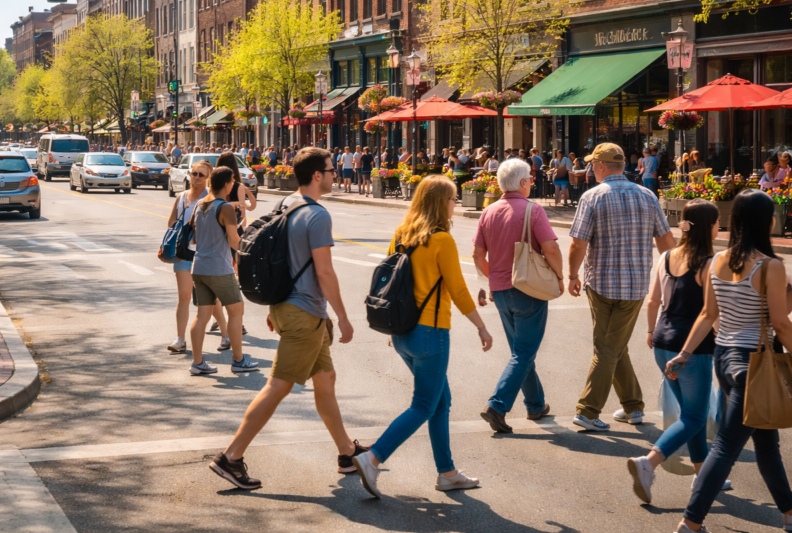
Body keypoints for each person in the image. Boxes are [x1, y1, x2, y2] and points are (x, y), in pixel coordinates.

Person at [211, 147, 363, 489]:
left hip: (292, 310)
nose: (335, 173)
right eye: (330, 169)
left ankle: (346, 452)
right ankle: (230, 457)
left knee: (325, 381)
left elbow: (277, 262)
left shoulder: (285, 205)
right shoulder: (318, 215)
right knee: (277, 386)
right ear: (316, 176)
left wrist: (275, 307)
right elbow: (324, 272)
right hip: (305, 313)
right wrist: (343, 316)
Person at [353, 175, 493, 498]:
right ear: (441, 203)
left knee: (440, 402)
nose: (455, 205)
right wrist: (481, 327)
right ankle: (372, 458)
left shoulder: (402, 235)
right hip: (430, 333)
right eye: (453, 199)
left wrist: (395, 329)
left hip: (402, 333)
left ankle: (447, 473)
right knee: (424, 404)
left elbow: (390, 284)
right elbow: (457, 289)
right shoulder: (442, 240)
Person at [667, 191, 792, 533]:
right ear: (767, 223)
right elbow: (781, 325)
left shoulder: (716, 262)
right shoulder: (771, 267)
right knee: (724, 447)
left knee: (766, 442)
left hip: (724, 358)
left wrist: (685, 352)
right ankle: (691, 523)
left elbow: (709, 314)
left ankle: (789, 512)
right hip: (755, 365)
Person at [568, 143, 676, 431]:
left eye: (593, 164)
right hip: (636, 285)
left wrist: (571, 275)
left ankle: (588, 410)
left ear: (602, 166)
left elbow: (578, 243)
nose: (591, 168)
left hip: (601, 283)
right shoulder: (647, 196)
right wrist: (673, 278)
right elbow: (666, 242)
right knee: (614, 345)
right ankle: (633, 406)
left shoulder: (592, 197)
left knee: (606, 346)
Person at [626, 200, 727, 505]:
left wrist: (649, 331)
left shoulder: (668, 255)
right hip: (691, 348)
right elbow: (713, 312)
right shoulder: (711, 262)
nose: (719, 226)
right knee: (695, 416)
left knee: (690, 415)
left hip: (662, 341)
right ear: (710, 226)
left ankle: (703, 473)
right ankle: (649, 463)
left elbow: (654, 300)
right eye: (717, 221)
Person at [472, 159, 563, 434]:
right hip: (528, 289)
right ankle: (497, 405)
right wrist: (560, 276)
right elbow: (551, 249)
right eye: (530, 180)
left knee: (520, 351)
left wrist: (489, 280)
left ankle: (535, 404)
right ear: (523, 183)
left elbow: (478, 255)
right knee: (524, 352)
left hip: (499, 290)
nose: (531, 183)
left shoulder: (488, 212)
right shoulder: (533, 210)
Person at [188, 167, 259, 375]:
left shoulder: (200, 205)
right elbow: (234, 241)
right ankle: (238, 360)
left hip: (199, 266)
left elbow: (195, 237)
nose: (232, 185)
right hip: (219, 267)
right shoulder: (225, 207)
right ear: (227, 184)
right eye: (232, 182)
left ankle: (198, 362)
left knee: (202, 316)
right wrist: (252, 254)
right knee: (236, 312)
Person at [163, 160, 227, 353]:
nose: (196, 177)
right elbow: (171, 222)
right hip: (184, 252)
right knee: (184, 296)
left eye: (201, 175)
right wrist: (187, 227)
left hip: (205, 252)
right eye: (193, 173)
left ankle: (225, 334)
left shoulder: (212, 198)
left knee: (209, 297)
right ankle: (180, 339)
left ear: (209, 178)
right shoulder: (182, 197)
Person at [219, 151, 257, 232]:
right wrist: (249, 193)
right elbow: (248, 209)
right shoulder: (238, 186)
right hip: (233, 229)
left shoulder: (214, 185)